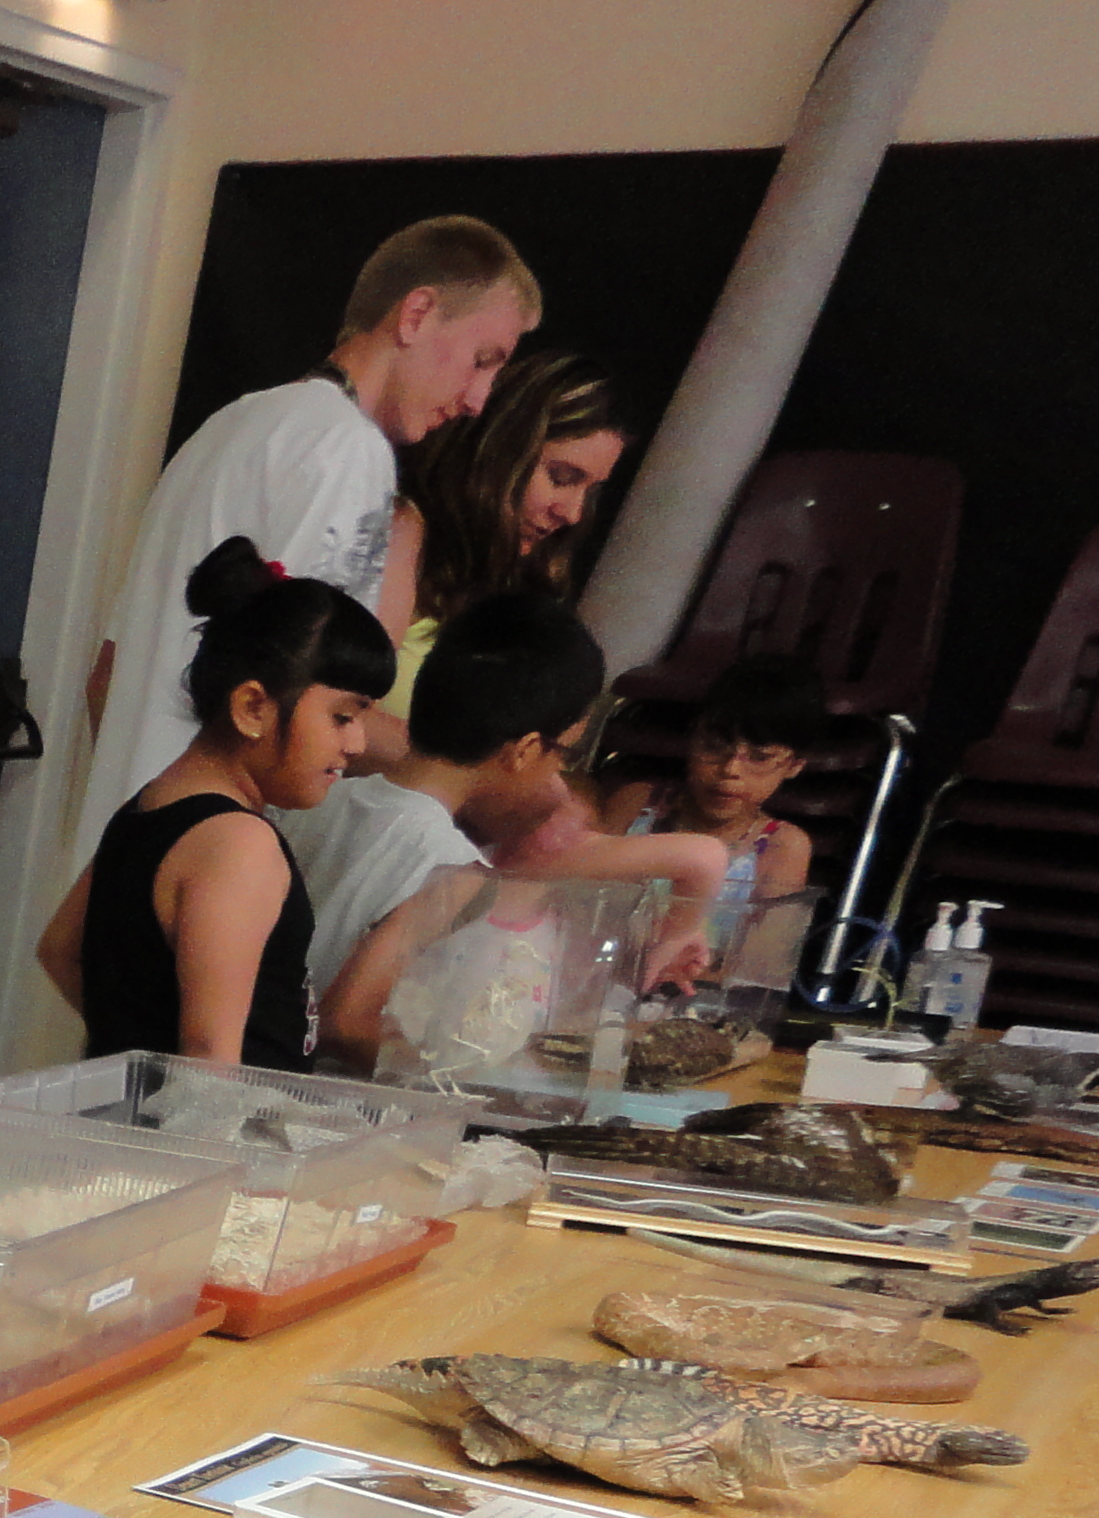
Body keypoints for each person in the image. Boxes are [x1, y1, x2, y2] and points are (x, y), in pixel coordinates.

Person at [74, 216, 537, 846]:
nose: (478, 399)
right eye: (482, 361)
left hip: (126, 836)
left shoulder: (233, 423)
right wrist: (470, 776)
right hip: (207, 853)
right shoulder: (346, 450)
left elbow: (106, 677)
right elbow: (300, 703)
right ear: (416, 315)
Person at [300, 598, 728, 1066]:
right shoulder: (453, 865)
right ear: (525, 751)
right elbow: (345, 1022)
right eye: (562, 755)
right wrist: (458, 1068)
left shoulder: (319, 799)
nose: (558, 779)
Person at [38, 541, 389, 1068]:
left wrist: (133, 1053)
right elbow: (208, 1056)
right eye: (343, 717)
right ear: (253, 707)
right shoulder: (238, 843)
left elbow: (60, 948)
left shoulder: (151, 804)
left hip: (137, 1111)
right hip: (212, 1119)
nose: (357, 744)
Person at [361, 348, 630, 765]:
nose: (573, 513)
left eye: (590, 491)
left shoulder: (520, 586)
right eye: (562, 478)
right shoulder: (404, 530)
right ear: (501, 447)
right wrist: (481, 778)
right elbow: (340, 712)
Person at [602, 652, 824, 984]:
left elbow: (761, 968)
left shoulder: (782, 846)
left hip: (695, 997)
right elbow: (577, 905)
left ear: (795, 765)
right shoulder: (636, 804)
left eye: (760, 757)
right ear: (691, 739)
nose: (730, 770)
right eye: (714, 747)